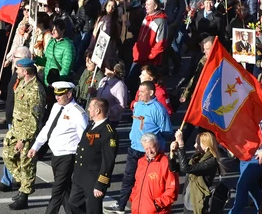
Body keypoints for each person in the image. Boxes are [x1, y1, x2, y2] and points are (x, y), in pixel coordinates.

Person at [105, 81, 172, 214]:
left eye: (142, 91)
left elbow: (167, 131)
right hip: (134, 148)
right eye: (139, 91)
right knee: (128, 178)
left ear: (151, 93)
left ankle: (146, 207)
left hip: (148, 153)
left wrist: (155, 141)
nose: (139, 94)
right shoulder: (139, 105)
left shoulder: (159, 110)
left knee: (144, 181)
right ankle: (121, 205)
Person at [28, 82, 88, 214]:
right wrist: (36, 146)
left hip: (68, 155)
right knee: (65, 189)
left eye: (60, 95)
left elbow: (85, 138)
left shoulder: (78, 113)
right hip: (56, 154)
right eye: (55, 94)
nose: (57, 97)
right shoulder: (56, 106)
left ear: (69, 94)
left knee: (57, 191)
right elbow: (48, 127)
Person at [1, 57, 46, 210]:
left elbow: (35, 119)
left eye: (18, 69)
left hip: (28, 133)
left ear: (26, 72)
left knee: (27, 164)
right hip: (16, 128)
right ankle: (22, 184)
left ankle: (24, 195)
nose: (16, 71)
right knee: (7, 155)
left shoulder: (36, 90)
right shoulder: (21, 83)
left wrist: (24, 139)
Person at [68, 97, 118, 214]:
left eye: (90, 107)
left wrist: (101, 184)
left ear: (97, 111)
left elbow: (108, 161)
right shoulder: (91, 125)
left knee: (93, 210)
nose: (88, 109)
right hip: (81, 176)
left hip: (93, 178)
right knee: (73, 204)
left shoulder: (108, 132)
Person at [169, 130, 223, 214]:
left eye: (198, 143)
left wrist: (181, 145)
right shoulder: (197, 157)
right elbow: (175, 169)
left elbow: (185, 168)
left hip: (198, 201)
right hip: (189, 199)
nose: (194, 145)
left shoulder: (211, 162)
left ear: (206, 146)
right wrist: (172, 153)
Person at [129, 133, 179, 214]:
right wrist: (133, 198)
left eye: (151, 147)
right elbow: (137, 184)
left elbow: (172, 189)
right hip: (138, 209)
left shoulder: (166, 163)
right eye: (146, 149)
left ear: (157, 145)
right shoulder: (141, 162)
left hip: (156, 211)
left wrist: (157, 205)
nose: (149, 151)